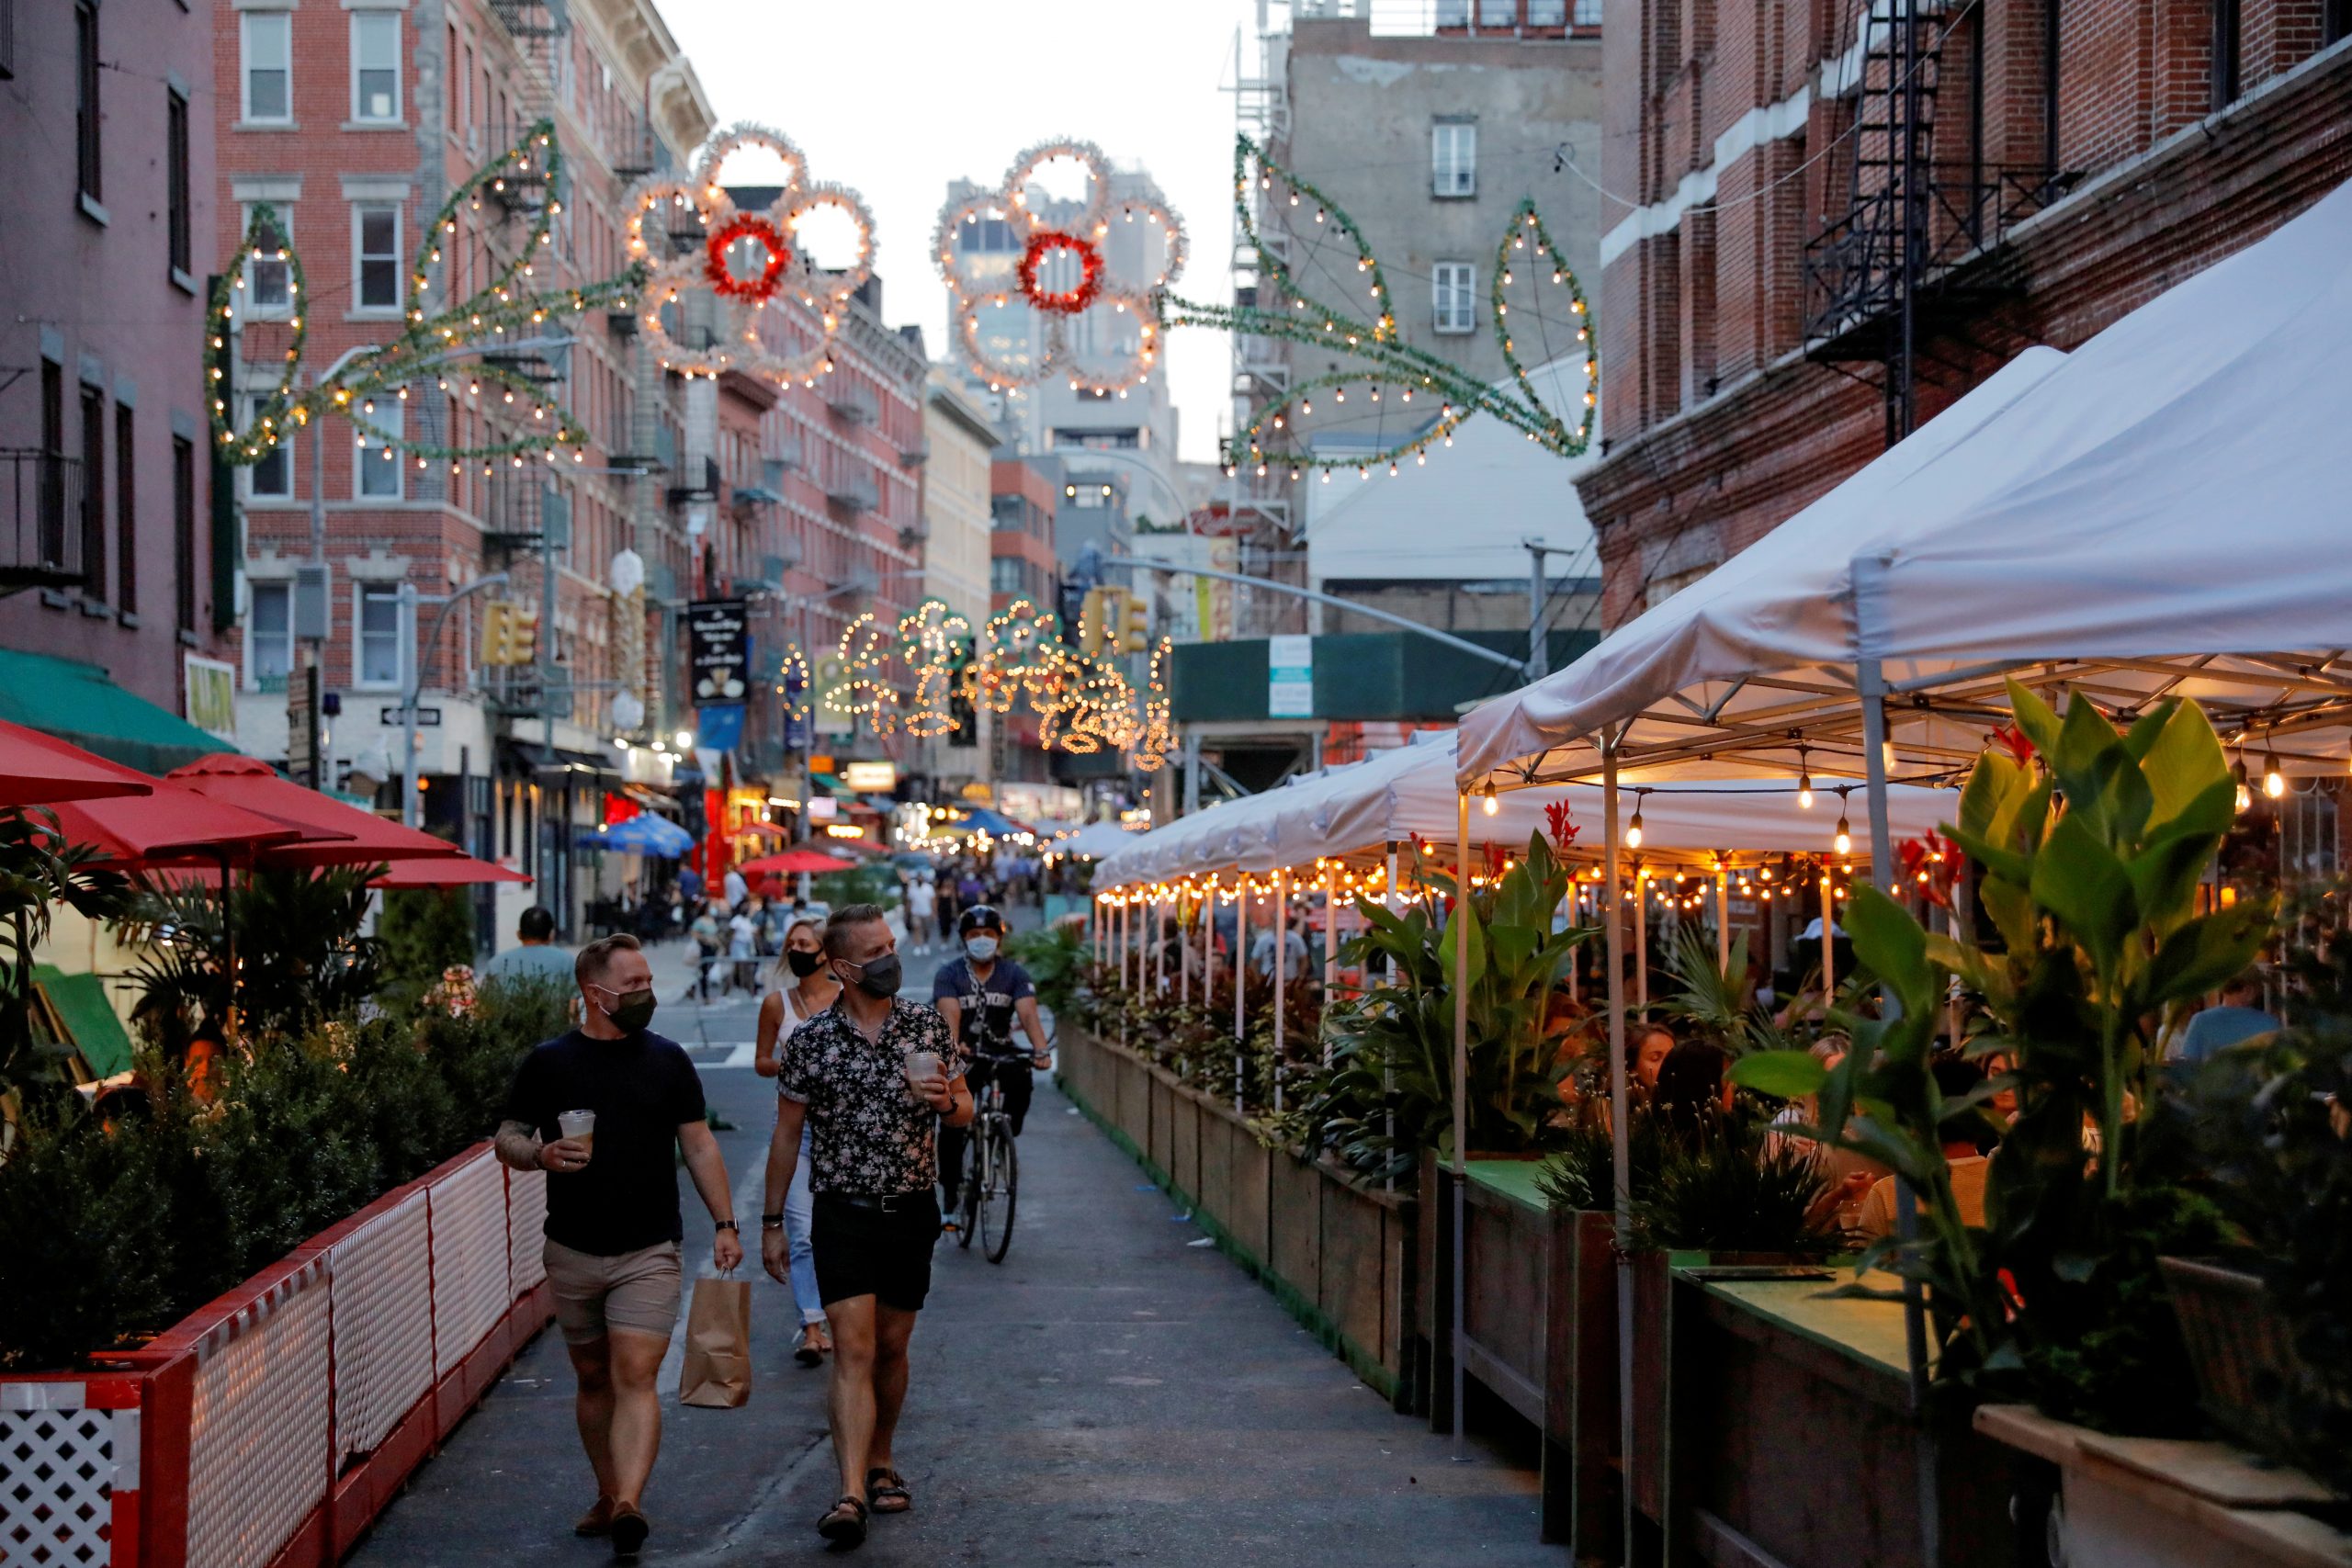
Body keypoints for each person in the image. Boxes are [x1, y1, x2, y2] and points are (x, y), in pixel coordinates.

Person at [494, 934, 741, 1559]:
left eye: (647, 981)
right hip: (571, 1248)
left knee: (635, 1374)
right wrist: (540, 1153)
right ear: (594, 993)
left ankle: (630, 1501)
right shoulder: (549, 1063)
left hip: (649, 1247)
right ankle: (608, 1493)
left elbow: (700, 1144)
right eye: (632, 985)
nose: (645, 993)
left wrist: (726, 1221)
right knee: (593, 1375)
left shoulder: (668, 1060)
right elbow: (508, 1137)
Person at [761, 905, 974, 1547]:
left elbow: (963, 1110)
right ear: (846, 966)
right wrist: (772, 1221)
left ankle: (881, 1457)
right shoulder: (811, 1041)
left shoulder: (926, 1025)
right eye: (877, 950)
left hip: (910, 1211)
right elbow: (787, 1134)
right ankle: (851, 1489)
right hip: (841, 1213)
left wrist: (947, 1102)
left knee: (891, 1347)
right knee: (852, 1350)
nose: (891, 957)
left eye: (891, 945)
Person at [755, 919, 840, 1368]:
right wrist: (787, 1065)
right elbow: (761, 1061)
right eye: (792, 943)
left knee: (839, 1230)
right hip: (794, 1130)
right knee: (803, 1231)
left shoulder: (846, 1001)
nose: (797, 949)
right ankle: (812, 1325)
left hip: (844, 1132)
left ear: (826, 952)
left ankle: (846, 1317)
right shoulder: (776, 1004)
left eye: (805, 943)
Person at [933, 905, 1052, 1223]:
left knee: (1022, 1082)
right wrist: (952, 1048)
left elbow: (1028, 1014)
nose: (981, 940)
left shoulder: (1015, 974)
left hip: (1002, 1050)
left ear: (999, 938)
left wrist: (1041, 1051)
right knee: (954, 1119)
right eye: (974, 935)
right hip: (967, 1055)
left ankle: (1003, 1136)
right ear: (963, 939)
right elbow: (949, 1015)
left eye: (988, 934)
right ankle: (951, 1197)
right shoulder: (950, 974)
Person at [2169, 971, 2280, 1064]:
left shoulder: (2200, 1020)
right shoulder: (2269, 1023)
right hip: (2257, 1089)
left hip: (2211, 1088)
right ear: (2248, 990)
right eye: (2258, 987)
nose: (2259, 992)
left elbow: (2188, 1065)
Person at [481, 905, 575, 987]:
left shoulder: (496, 964)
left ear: (519, 934)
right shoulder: (567, 961)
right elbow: (574, 1000)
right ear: (551, 935)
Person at [906, 874, 937, 957]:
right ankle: (918, 946)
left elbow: (933, 900)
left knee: (926, 930)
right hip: (915, 912)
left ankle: (926, 944)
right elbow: (909, 901)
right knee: (916, 928)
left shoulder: (928, 888)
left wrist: (934, 912)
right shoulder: (912, 888)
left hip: (927, 912)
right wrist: (908, 913)